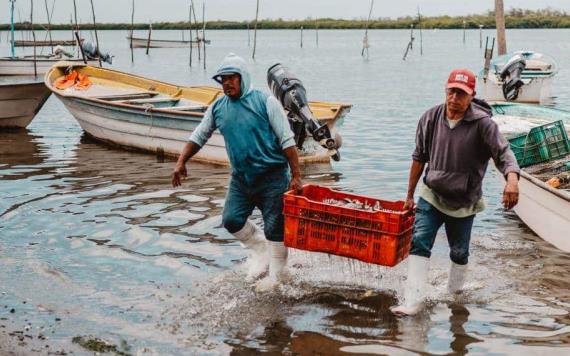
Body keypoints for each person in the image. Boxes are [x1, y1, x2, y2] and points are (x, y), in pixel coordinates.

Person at [391, 69, 520, 316]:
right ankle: (412, 302)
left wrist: (512, 181)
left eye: (461, 94)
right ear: (445, 90)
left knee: (459, 253)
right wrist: (409, 194)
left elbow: (504, 154)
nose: (454, 98)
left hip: (464, 199)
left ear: (472, 96)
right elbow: (419, 158)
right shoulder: (430, 117)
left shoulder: (484, 125)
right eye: (451, 91)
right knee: (419, 241)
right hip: (431, 192)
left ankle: (454, 295)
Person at [171, 53, 302, 292]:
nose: (227, 83)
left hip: (272, 176)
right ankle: (261, 250)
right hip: (241, 178)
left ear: (244, 78)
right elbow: (199, 136)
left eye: (232, 78)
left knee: (275, 229)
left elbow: (287, 140)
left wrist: (295, 175)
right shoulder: (218, 108)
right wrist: (181, 161)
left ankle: (278, 277)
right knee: (231, 220)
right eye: (223, 80)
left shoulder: (265, 102)